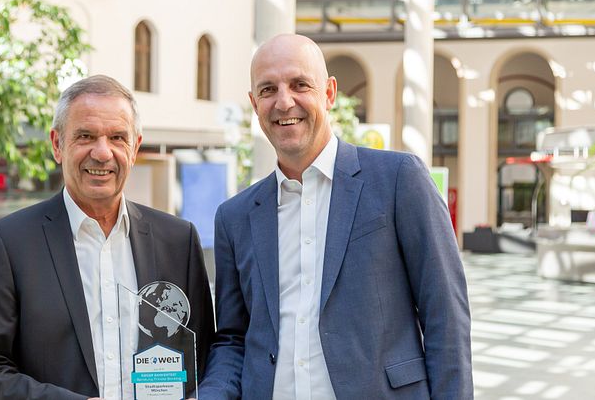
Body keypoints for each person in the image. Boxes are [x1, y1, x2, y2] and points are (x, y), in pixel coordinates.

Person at [198, 34, 473, 399]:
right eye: (268, 90)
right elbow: (233, 338)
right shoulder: (234, 217)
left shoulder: (398, 179)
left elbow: (446, 316)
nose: (284, 102)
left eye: (300, 85)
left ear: (328, 93)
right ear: (254, 103)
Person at [0, 75, 215, 400]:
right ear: (57, 145)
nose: (102, 152)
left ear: (135, 148)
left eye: (117, 137)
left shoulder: (178, 242)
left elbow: (205, 360)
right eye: (85, 136)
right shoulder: (8, 243)